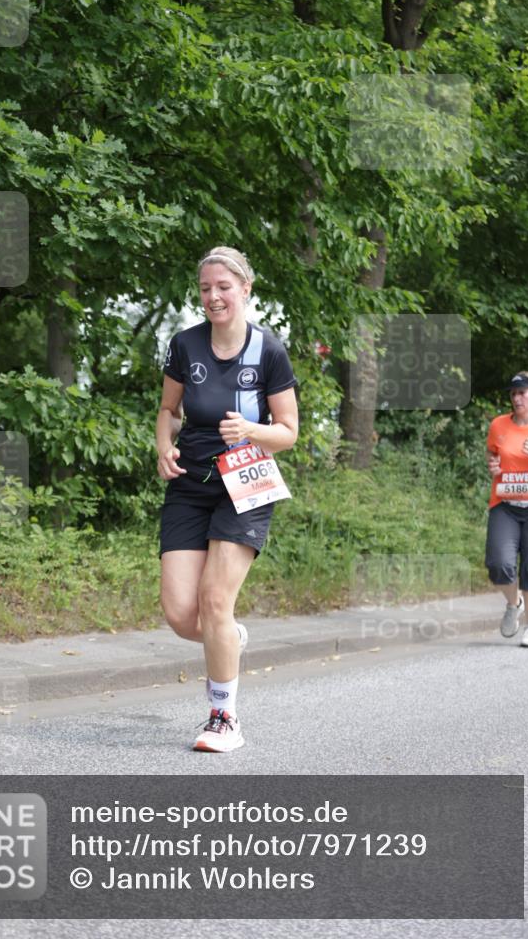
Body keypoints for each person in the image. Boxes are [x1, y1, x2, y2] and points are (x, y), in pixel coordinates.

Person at [156, 246, 298, 751]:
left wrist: (253, 429)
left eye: (224, 287)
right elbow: (169, 410)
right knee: (180, 614)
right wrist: (163, 446)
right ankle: (229, 639)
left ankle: (223, 718)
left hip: (247, 481)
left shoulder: (268, 350)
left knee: (216, 600)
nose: (214, 297)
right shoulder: (186, 344)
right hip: (191, 482)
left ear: (245, 290)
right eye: (205, 289)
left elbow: (289, 431)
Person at [485, 371, 528, 649]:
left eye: (522, 392)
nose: (517, 398)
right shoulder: (499, 424)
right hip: (505, 506)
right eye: (513, 393)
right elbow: (492, 453)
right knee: (498, 564)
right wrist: (493, 465)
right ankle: (514, 602)